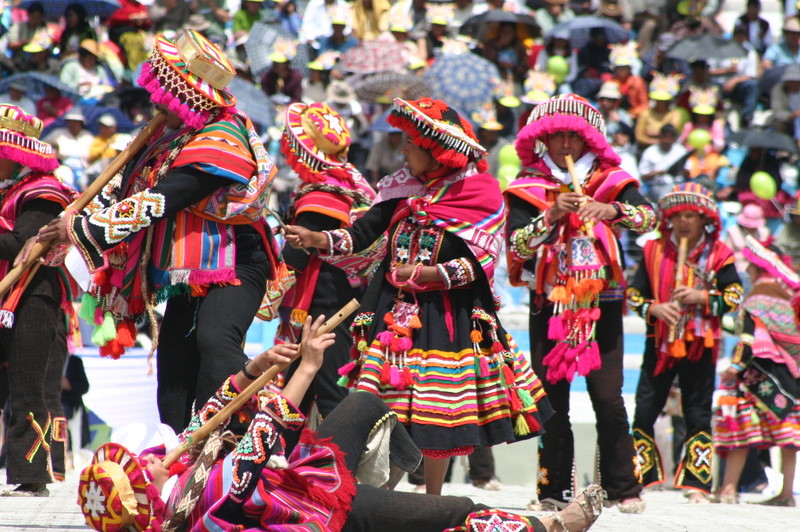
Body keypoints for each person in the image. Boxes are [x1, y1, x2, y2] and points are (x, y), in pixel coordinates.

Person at [77, 315, 606, 532]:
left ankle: (386, 480)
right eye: (145, 469)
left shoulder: (169, 476)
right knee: (458, 510)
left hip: (301, 472)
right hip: (317, 511)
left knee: (364, 401)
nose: (152, 460)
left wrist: (252, 371)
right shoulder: (198, 503)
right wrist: (305, 368)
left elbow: (208, 419)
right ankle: (549, 528)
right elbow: (264, 439)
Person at [285, 97, 552, 496]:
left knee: (437, 412)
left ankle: (432, 498)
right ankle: (383, 493)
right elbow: (361, 235)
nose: (403, 149)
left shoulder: (479, 196)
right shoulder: (400, 191)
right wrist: (317, 238)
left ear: (436, 151)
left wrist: (430, 274)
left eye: (411, 143)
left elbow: (479, 265)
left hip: (446, 321)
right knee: (387, 407)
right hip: (392, 319)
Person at [32, 30, 281, 434]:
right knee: (175, 369)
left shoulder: (223, 138)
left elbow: (163, 199)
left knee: (216, 344)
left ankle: (251, 435)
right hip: (189, 277)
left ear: (188, 97)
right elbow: (121, 190)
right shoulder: (168, 140)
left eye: (168, 92)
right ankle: (181, 455)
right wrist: (70, 225)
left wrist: (83, 228)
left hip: (235, 265)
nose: (156, 100)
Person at [505, 94, 655, 513]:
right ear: (542, 141)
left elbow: (649, 219)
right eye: (556, 137)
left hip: (601, 302)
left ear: (589, 140)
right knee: (551, 396)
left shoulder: (613, 179)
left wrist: (612, 209)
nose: (565, 144)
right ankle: (553, 489)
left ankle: (624, 488)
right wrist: (550, 216)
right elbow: (516, 243)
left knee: (608, 395)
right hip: (550, 303)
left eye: (573, 136)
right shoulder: (527, 186)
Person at [627, 184, 743, 502]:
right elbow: (634, 294)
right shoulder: (654, 250)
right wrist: (654, 308)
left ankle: (697, 485)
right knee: (645, 408)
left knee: (697, 412)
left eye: (691, 215)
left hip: (700, 343)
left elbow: (734, 296)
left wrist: (702, 297)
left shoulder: (720, 254)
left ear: (704, 218)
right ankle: (642, 477)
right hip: (661, 342)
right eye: (678, 215)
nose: (684, 222)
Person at [277, 101, 382, 448]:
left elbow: (295, 257)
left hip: (320, 303)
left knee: (324, 389)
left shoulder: (321, 195)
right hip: (340, 299)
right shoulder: (349, 185)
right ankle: (287, 460)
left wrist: (266, 293)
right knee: (301, 388)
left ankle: (342, 468)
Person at [0, 105, 77, 497]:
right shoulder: (6, 192)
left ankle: (32, 475)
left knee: (29, 386)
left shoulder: (42, 193)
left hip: (31, 298)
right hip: (3, 297)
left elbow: (19, 247)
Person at [714, 238, 800, 506]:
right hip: (790, 375)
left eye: (750, 267)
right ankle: (786, 494)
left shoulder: (757, 296)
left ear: (757, 268)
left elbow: (749, 339)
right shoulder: (788, 297)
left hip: (757, 374)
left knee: (740, 431)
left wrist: (735, 366)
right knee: (788, 435)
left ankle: (728, 489)